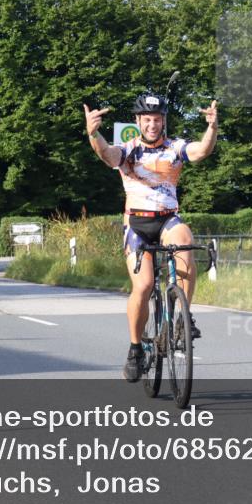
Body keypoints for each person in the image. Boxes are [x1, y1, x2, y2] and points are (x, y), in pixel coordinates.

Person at [84, 91, 218, 382]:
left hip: (167, 219)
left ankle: (182, 317)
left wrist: (212, 128)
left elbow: (201, 151)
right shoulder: (128, 150)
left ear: (163, 121)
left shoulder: (175, 147)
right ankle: (135, 348)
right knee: (144, 286)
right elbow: (107, 155)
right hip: (137, 225)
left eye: (157, 119)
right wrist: (94, 134)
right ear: (138, 121)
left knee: (184, 241)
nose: (152, 125)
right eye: (147, 120)